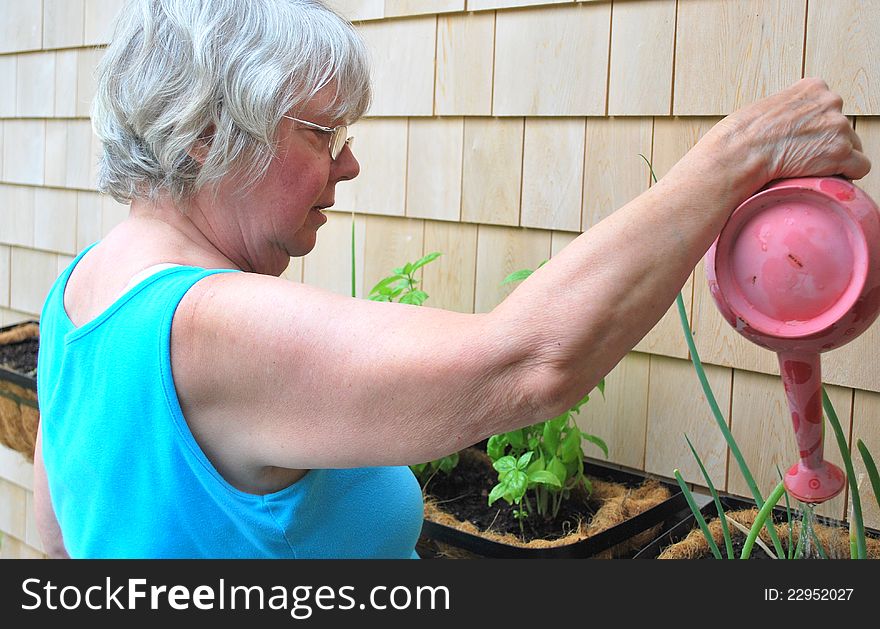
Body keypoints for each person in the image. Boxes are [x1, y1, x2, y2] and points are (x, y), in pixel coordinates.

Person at [33, 0, 870, 559]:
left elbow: (57, 557)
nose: (349, 163)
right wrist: (737, 157)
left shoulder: (80, 294)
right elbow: (529, 363)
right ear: (207, 136)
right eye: (325, 133)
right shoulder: (208, 327)